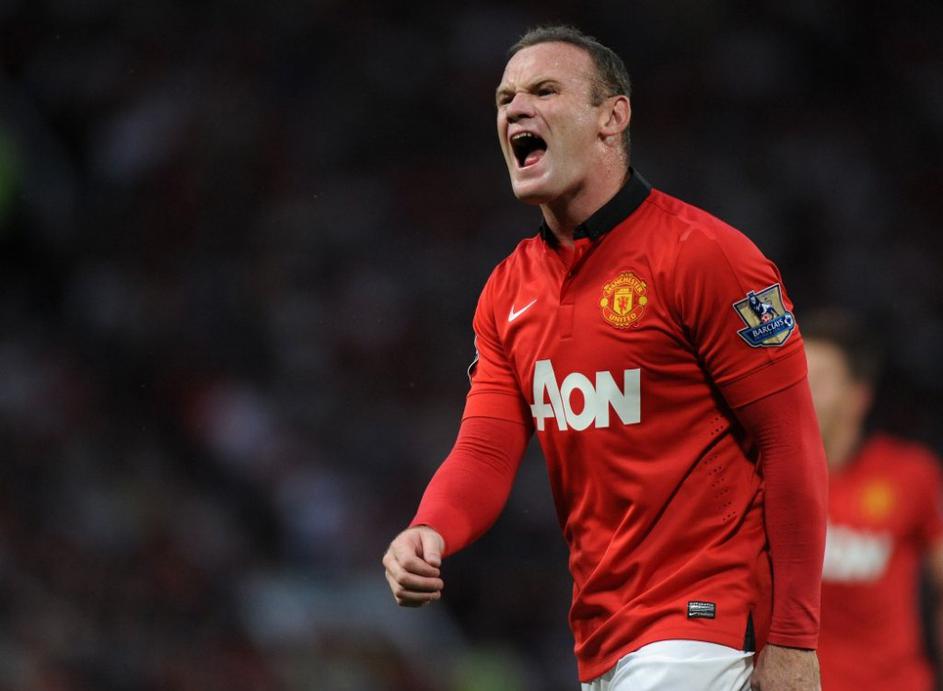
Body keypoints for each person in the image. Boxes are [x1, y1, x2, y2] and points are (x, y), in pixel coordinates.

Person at [382, 25, 828, 691]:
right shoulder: (507, 291)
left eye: (543, 91)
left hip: (704, 623)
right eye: (504, 98)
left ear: (611, 117)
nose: (515, 109)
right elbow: (484, 451)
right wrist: (430, 528)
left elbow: (789, 443)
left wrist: (793, 637)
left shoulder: (706, 256)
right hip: (602, 634)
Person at [803, 310, 943, 691]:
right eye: (795, 377)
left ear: (858, 397)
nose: (801, 392)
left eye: (818, 381)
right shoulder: (755, 478)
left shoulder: (911, 474)